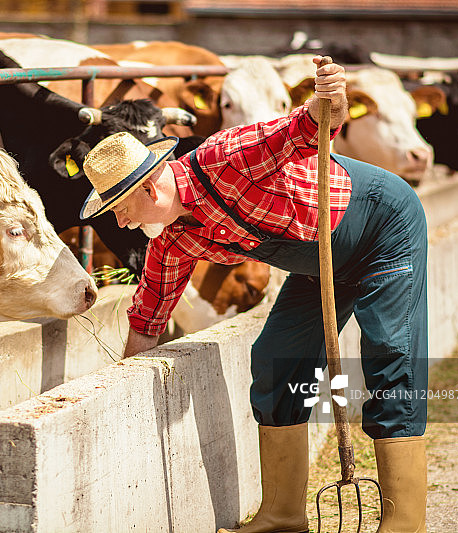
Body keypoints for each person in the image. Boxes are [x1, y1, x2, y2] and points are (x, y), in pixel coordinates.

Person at [79, 57, 427, 533]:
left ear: (151, 191)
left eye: (120, 209)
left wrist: (331, 93)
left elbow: (312, 124)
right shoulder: (173, 239)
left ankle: (405, 523)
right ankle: (283, 514)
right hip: (318, 260)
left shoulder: (228, 156)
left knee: (390, 354)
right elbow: (148, 319)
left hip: (383, 231)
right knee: (275, 358)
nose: (120, 224)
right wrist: (124, 393)